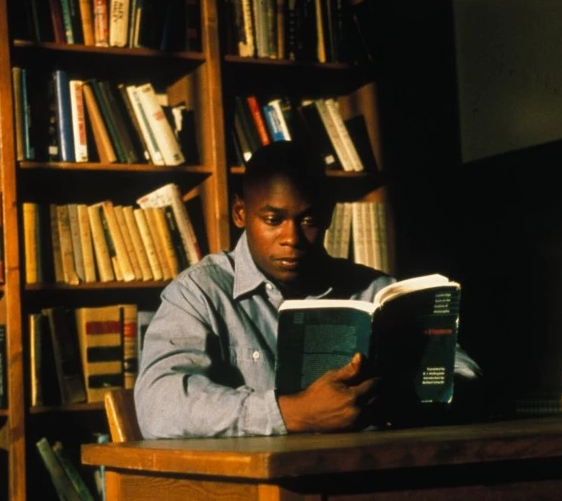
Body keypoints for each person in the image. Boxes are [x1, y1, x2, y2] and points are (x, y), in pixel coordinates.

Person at [134, 141, 480, 438]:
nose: (292, 238)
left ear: (328, 216)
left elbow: (464, 372)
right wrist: (289, 413)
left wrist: (395, 396)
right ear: (240, 213)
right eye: (273, 220)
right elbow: (158, 405)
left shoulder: (375, 291)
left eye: (309, 220)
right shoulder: (199, 292)